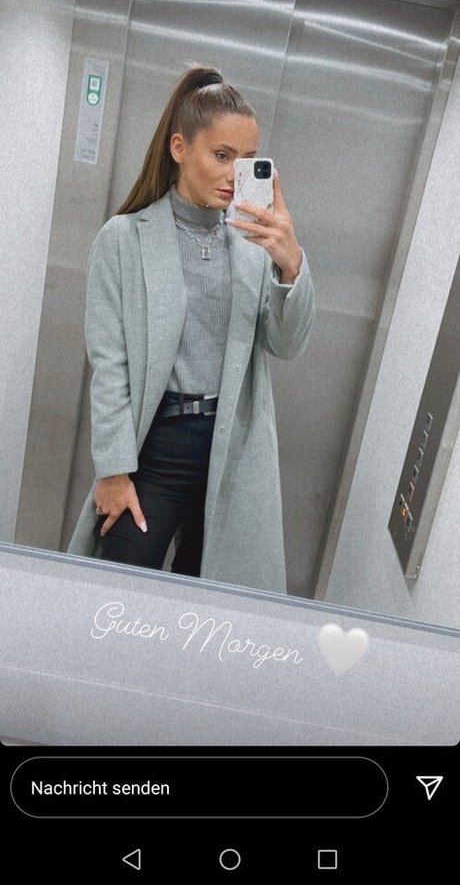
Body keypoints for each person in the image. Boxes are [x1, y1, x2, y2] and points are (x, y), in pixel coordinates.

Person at [67, 64, 315, 594]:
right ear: (179, 148)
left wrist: (290, 264)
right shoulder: (124, 239)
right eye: (222, 155)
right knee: (112, 593)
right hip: (152, 449)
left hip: (233, 451)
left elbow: (286, 343)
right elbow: (109, 364)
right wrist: (113, 470)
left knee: (209, 607)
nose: (233, 174)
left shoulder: (254, 244)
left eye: (247, 160)